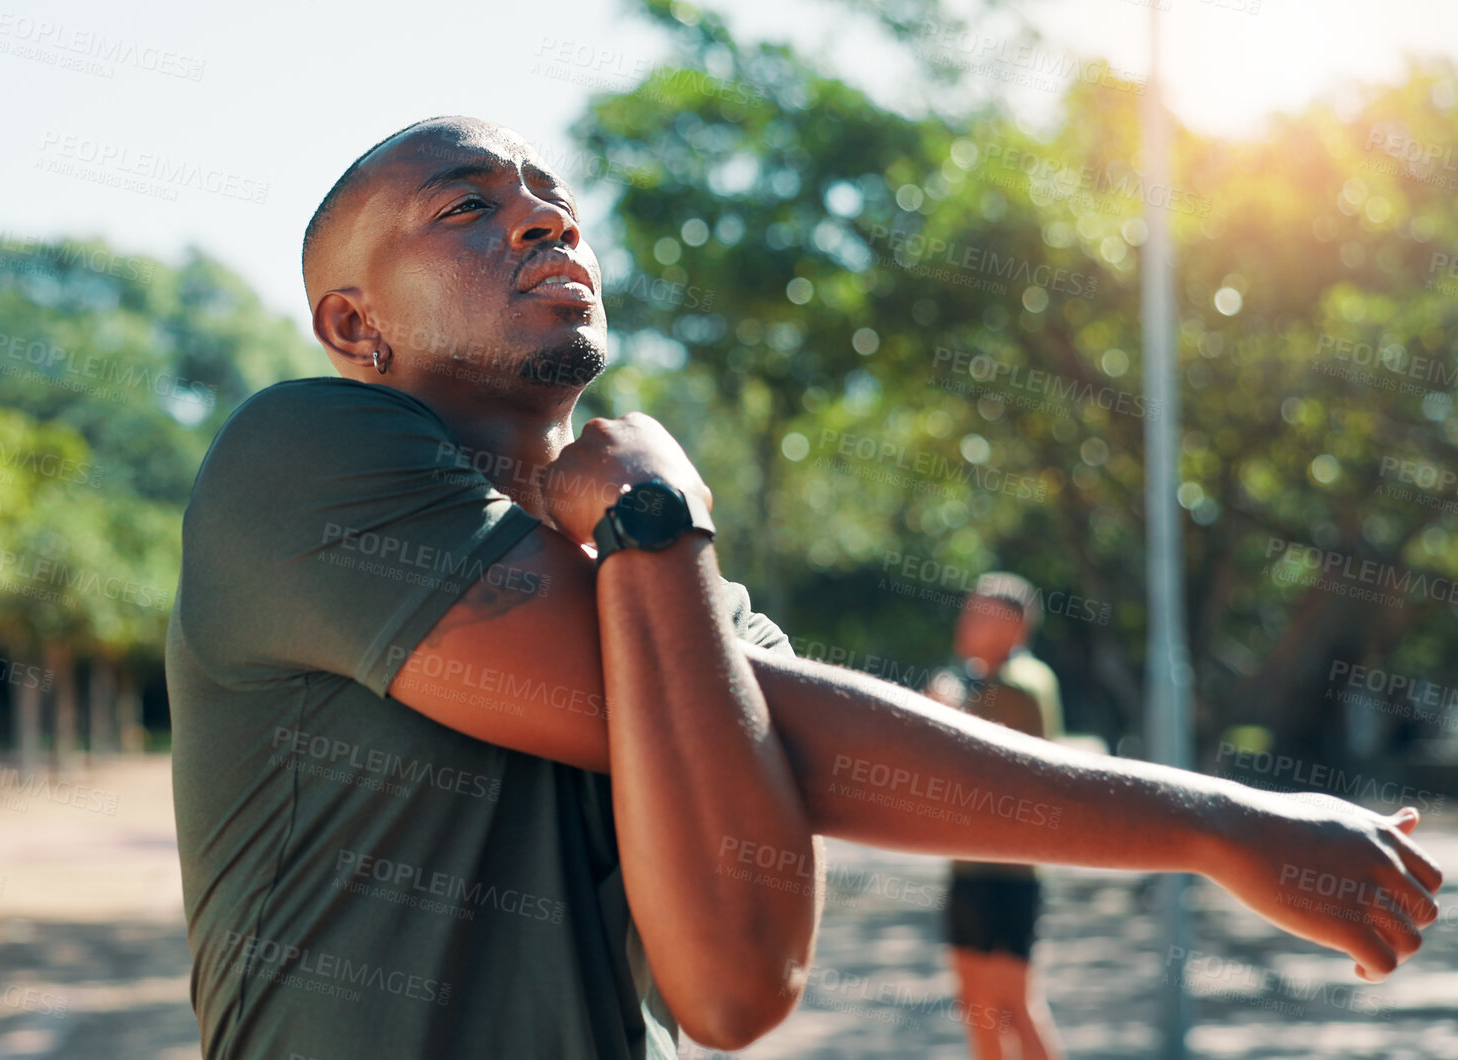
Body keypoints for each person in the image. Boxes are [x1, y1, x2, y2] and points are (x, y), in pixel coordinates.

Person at [165, 115, 1442, 1060]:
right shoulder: (300, 455)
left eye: (553, 200)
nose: (546, 219)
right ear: (352, 326)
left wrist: (654, 542)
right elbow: (780, 731)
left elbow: (736, 991)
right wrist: (1221, 822)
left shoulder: (669, 599)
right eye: (465, 207)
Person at [926, 573, 1067, 1060]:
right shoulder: (979, 680)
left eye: (980, 613)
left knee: (1013, 1008)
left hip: (1009, 875)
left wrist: (941, 707)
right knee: (977, 1007)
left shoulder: (1020, 684)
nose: (966, 622)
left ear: (1014, 626)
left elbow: (960, 744)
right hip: (970, 868)